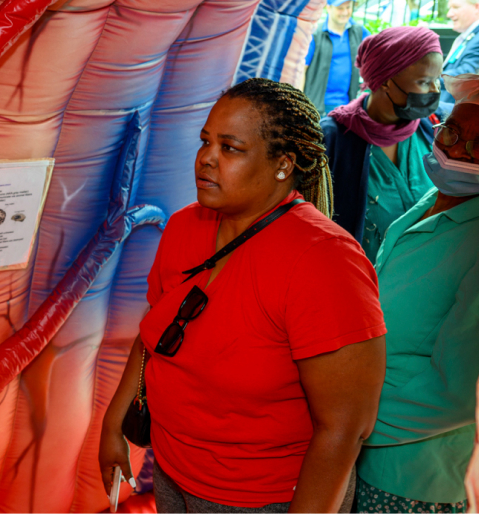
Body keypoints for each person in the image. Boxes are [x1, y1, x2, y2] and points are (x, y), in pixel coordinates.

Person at [99, 79, 387, 513]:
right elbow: (155, 334)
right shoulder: (184, 226)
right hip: (175, 473)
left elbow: (346, 427)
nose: (207, 158)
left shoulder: (325, 261)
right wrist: (112, 424)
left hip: (264, 498)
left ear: (282, 165)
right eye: (205, 141)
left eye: (230, 148)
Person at [355, 73, 479, 513]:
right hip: (368, 437)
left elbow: (460, 390)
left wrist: (351, 423)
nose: (456, 150)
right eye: (452, 131)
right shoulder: (437, 198)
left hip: (411, 470)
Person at [323, 27, 443, 263]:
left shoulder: (436, 128)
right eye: (424, 81)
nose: (435, 90)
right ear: (386, 80)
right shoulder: (332, 140)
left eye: (438, 79)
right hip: (358, 281)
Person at [305, 0, 371, 115]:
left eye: (348, 7)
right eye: (340, 8)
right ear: (328, 8)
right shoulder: (316, 34)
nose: (345, 12)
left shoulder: (359, 31)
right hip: (318, 105)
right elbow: (302, 69)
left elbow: (376, 57)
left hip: (349, 105)